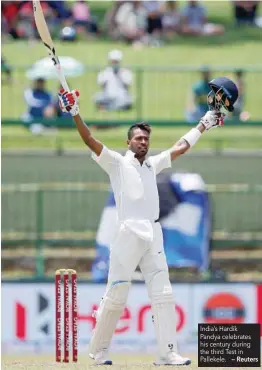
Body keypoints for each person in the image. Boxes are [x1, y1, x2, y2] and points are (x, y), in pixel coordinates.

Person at [58, 76, 238, 366]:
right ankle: (99, 351)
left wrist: (204, 124)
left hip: (153, 233)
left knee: (163, 293)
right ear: (128, 142)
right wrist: (75, 112)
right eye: (138, 138)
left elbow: (180, 147)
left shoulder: (153, 164)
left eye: (146, 138)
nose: (143, 142)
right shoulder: (116, 163)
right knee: (117, 293)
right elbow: (90, 140)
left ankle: (168, 353)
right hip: (128, 232)